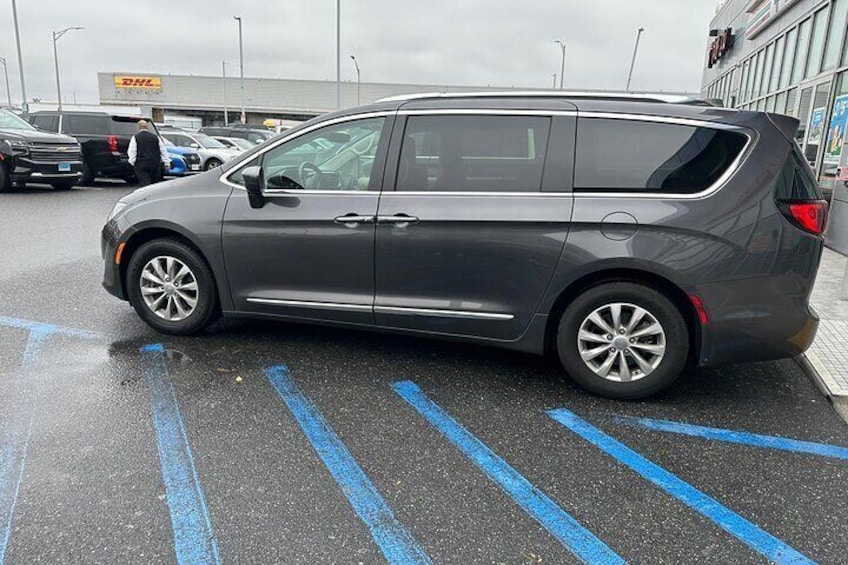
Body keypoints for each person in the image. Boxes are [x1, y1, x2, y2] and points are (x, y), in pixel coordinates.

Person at [128, 120, 170, 187]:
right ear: (147, 127)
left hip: (141, 163)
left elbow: (132, 151)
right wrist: (166, 162)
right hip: (154, 163)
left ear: (138, 127)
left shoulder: (136, 137)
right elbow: (163, 150)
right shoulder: (155, 137)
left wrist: (132, 162)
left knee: (144, 182)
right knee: (154, 183)